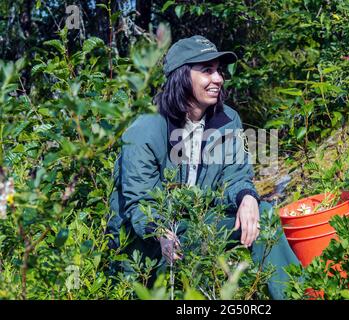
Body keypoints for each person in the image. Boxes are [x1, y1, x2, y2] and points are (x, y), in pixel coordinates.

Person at [107, 35, 299, 299]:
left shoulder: (227, 120)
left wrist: (246, 197)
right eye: (207, 70)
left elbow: (236, 174)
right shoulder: (145, 130)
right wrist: (161, 233)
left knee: (264, 213)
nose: (218, 78)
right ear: (182, 76)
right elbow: (141, 204)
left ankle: (297, 294)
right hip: (146, 245)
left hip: (196, 227)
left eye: (218, 70)